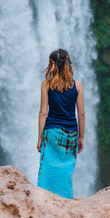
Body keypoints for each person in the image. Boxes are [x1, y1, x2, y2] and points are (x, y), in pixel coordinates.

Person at [36, 48, 85, 199]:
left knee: (47, 169)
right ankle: (65, 200)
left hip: (51, 132)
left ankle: (44, 199)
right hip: (71, 134)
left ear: (52, 65)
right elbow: (81, 114)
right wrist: (81, 138)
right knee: (65, 171)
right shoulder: (77, 86)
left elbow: (43, 113)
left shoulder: (46, 85)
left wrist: (39, 137)